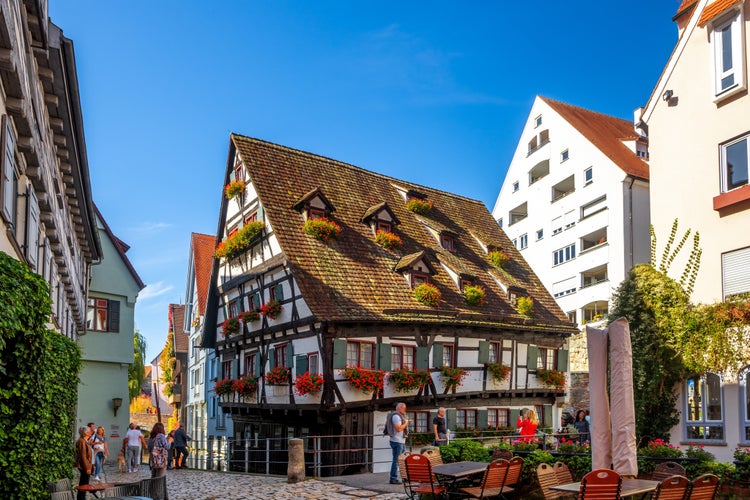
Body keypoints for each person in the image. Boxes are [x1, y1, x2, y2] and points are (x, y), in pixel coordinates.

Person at [386, 402, 409, 485]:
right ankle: (393, 478)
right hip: (397, 441)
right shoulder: (396, 416)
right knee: (396, 460)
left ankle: (404, 477)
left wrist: (405, 421)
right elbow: (399, 429)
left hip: (401, 441)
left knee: (402, 460)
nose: (405, 409)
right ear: (399, 408)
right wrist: (406, 423)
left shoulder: (400, 416)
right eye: (403, 408)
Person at [74, 426, 93, 500]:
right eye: (89, 431)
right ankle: (81, 499)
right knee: (83, 485)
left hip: (86, 466)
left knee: (84, 484)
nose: (90, 432)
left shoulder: (84, 441)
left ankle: (82, 498)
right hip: (83, 467)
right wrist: (87, 468)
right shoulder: (81, 441)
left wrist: (91, 465)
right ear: (86, 433)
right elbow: (83, 456)